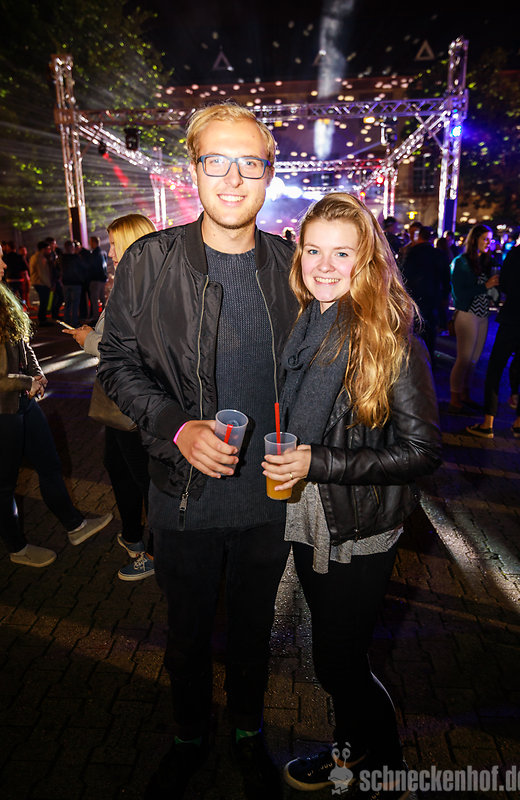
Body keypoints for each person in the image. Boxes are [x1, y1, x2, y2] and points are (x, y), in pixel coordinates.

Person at [97, 103, 298, 800]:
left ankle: (246, 731)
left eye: (250, 163)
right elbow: (116, 362)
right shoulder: (150, 261)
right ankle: (188, 736)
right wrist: (177, 427)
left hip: (269, 500)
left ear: (268, 174)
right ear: (193, 170)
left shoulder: (292, 266)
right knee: (185, 635)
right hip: (182, 497)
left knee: (251, 633)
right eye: (217, 160)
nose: (233, 178)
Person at [261, 193, 441, 799]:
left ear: (368, 259)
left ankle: (385, 765)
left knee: (340, 660)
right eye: (313, 250)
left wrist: (318, 461)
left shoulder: (389, 338)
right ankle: (350, 750)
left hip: (360, 526)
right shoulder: (301, 325)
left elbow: (422, 452)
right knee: (331, 651)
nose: (325, 265)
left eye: (343, 252)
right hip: (307, 514)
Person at [0, 246, 112, 567]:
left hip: (25, 401)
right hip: (4, 410)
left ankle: (74, 525)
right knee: (4, 485)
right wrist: (27, 382)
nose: (4, 263)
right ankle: (17, 548)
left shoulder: (3, 296)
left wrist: (37, 372)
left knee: (50, 464)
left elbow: (22, 342)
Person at [63, 214, 157, 581]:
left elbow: (135, 350)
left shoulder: (145, 287)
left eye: (115, 245)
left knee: (146, 479)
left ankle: (156, 553)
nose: (111, 254)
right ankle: (133, 535)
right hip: (120, 398)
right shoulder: (130, 283)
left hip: (135, 401)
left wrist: (88, 339)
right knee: (117, 466)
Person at [466, 226, 520, 439]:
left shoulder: (516, 253)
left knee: (496, 368)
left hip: (512, 317)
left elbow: (503, 283)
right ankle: (519, 422)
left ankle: (488, 422)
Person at [448, 224, 499, 412]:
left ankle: (465, 394)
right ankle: (454, 397)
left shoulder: (486, 261)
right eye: (485, 239)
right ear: (475, 239)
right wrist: (485, 286)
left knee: (474, 359)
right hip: (467, 314)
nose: (488, 243)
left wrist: (493, 291)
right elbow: (460, 294)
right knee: (464, 358)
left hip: (483, 314)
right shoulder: (461, 262)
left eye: (490, 239)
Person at [401, 225, 449, 367]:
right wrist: (444, 296)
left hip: (414, 298)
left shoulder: (412, 253)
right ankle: (428, 361)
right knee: (429, 331)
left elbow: (404, 276)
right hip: (432, 298)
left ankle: (415, 363)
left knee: (414, 331)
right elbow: (446, 278)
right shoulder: (438, 254)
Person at [60, 240, 87, 328]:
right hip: (76, 283)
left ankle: (66, 320)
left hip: (66, 283)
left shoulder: (62, 258)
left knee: (67, 303)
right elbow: (83, 268)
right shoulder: (76, 257)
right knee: (75, 303)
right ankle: (74, 321)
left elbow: (59, 269)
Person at [29, 240, 52, 326]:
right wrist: (49, 285)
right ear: (43, 249)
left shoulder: (34, 256)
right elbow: (42, 273)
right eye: (48, 249)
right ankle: (42, 320)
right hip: (41, 283)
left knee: (43, 301)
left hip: (38, 282)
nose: (49, 251)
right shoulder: (40, 258)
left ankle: (42, 319)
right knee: (44, 302)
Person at [88, 235, 108, 320]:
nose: (90, 244)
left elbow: (92, 267)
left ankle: (96, 317)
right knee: (102, 298)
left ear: (94, 242)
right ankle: (105, 316)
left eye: (90, 242)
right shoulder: (103, 253)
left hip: (95, 279)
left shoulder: (94, 254)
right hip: (102, 279)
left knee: (94, 299)